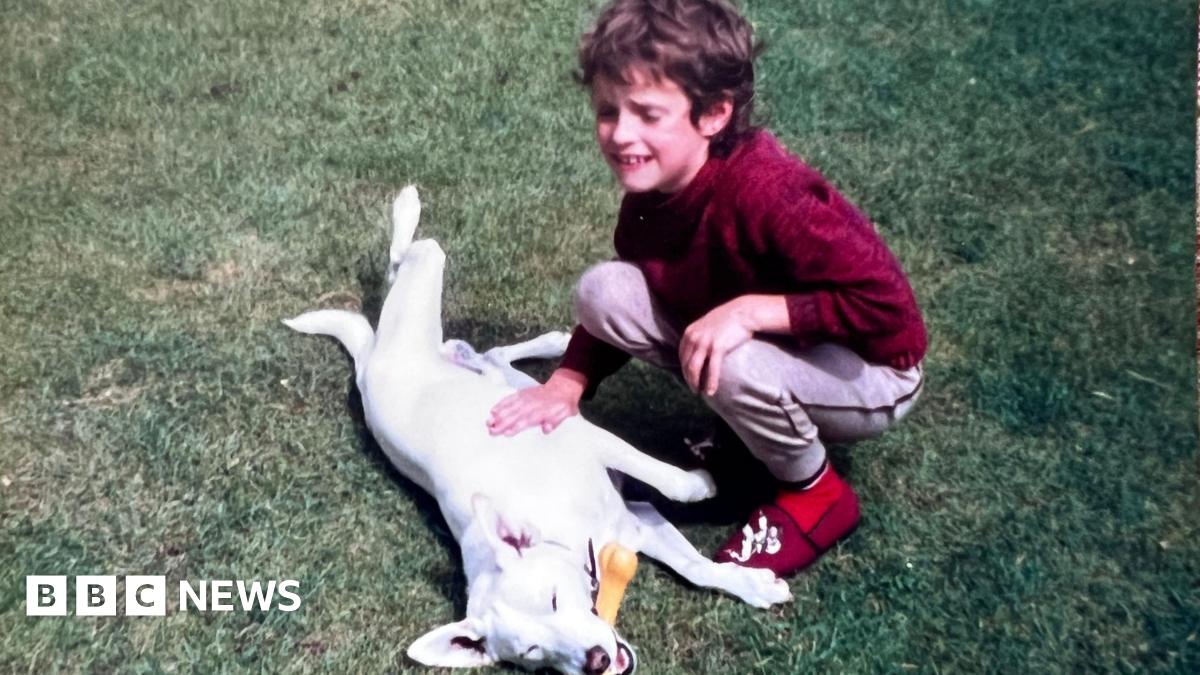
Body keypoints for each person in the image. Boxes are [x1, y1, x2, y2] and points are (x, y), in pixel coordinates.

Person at [487, 0, 926, 577]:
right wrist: (569, 380)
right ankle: (749, 452)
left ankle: (816, 493)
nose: (621, 134)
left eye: (647, 114)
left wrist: (752, 312)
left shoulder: (768, 193)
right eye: (607, 111)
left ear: (714, 113)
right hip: (778, 353)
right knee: (604, 290)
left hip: (871, 373)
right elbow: (630, 299)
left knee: (738, 360)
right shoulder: (650, 200)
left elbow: (894, 316)